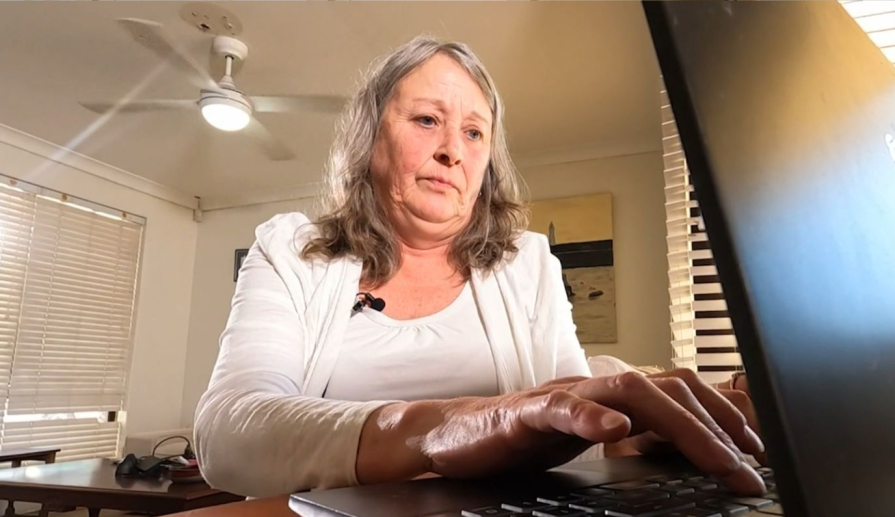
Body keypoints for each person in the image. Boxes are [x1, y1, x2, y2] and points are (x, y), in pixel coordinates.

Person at [194, 36, 765, 499]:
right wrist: (442, 427)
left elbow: (577, 435)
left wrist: (638, 427)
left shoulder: (529, 262)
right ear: (369, 142)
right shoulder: (291, 251)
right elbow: (227, 435)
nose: (453, 150)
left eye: (473, 132)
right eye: (425, 121)